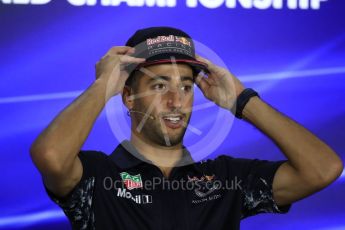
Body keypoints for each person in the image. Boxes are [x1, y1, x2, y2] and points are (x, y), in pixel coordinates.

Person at [30, 27, 343, 230]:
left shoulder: (226, 180)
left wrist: (242, 100)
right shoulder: (98, 176)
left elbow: (322, 169)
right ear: (128, 96)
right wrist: (102, 85)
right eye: (159, 84)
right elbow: (50, 156)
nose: (175, 100)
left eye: (186, 85)